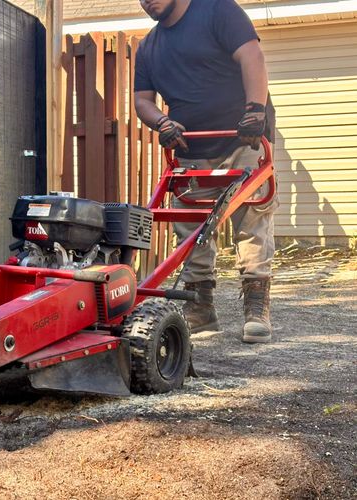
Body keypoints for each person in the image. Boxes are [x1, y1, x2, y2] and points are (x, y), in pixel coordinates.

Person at [134, 0, 279, 343]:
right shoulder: (148, 47)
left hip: (242, 136)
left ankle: (256, 308)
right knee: (189, 226)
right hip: (191, 147)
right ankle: (200, 308)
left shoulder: (216, 10)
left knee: (251, 220)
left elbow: (251, 56)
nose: (146, 1)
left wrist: (255, 111)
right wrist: (162, 121)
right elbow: (142, 99)